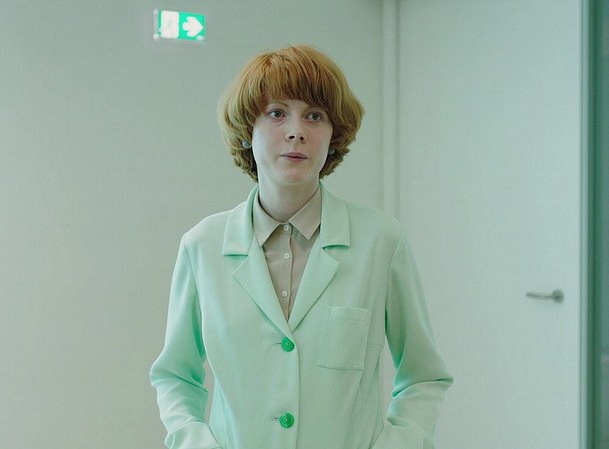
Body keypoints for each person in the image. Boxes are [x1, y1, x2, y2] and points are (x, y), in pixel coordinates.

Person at [150, 44, 452, 449]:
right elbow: (175, 374)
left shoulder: (381, 242)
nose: (296, 131)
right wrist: (194, 442)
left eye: (314, 115)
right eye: (277, 113)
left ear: (333, 135)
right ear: (248, 129)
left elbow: (423, 375)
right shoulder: (202, 246)